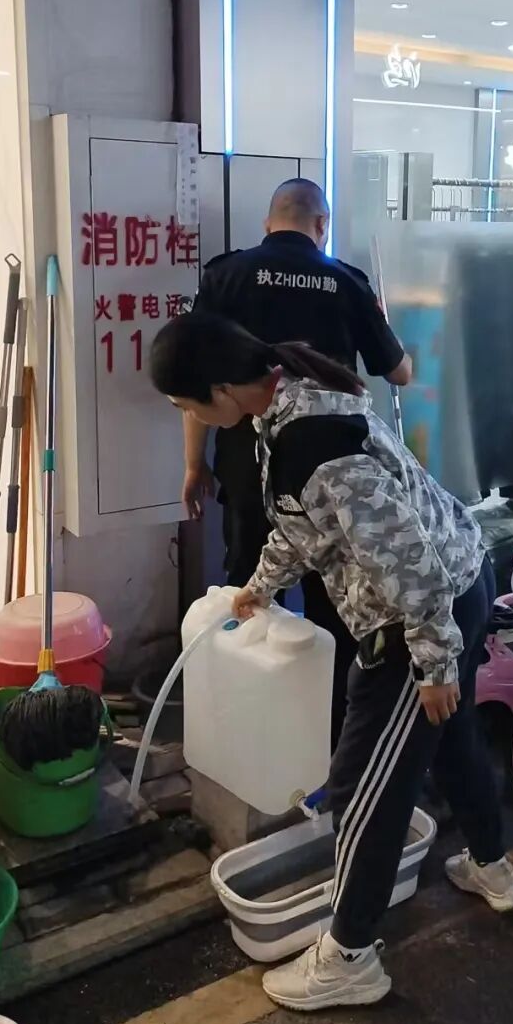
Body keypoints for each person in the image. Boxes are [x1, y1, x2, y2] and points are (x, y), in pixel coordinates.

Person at [150, 312, 513, 1011]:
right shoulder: (291, 393)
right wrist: (260, 586)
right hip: (461, 580)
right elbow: (310, 524)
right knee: (449, 744)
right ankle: (492, 866)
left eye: (186, 404)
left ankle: (349, 956)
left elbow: (408, 563)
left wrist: (434, 664)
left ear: (220, 389)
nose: (189, 417)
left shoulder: (312, 446)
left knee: (363, 788)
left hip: (418, 617)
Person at [184, 177, 411, 744]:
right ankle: (326, 730)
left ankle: (247, 721)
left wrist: (193, 465)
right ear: (322, 224)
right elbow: (399, 372)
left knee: (250, 588)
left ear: (268, 224)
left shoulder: (226, 275)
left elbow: (198, 381)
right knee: (333, 600)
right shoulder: (347, 282)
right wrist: (384, 325)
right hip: (330, 472)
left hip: (248, 462)